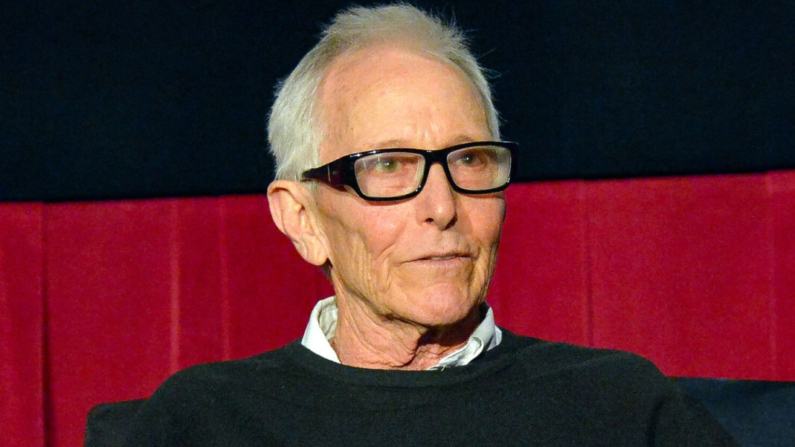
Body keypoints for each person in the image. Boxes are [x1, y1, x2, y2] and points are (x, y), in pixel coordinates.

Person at [123, 4, 738, 446]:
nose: (442, 206)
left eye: (469, 159)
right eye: (389, 166)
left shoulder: (620, 406)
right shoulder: (202, 421)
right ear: (302, 218)